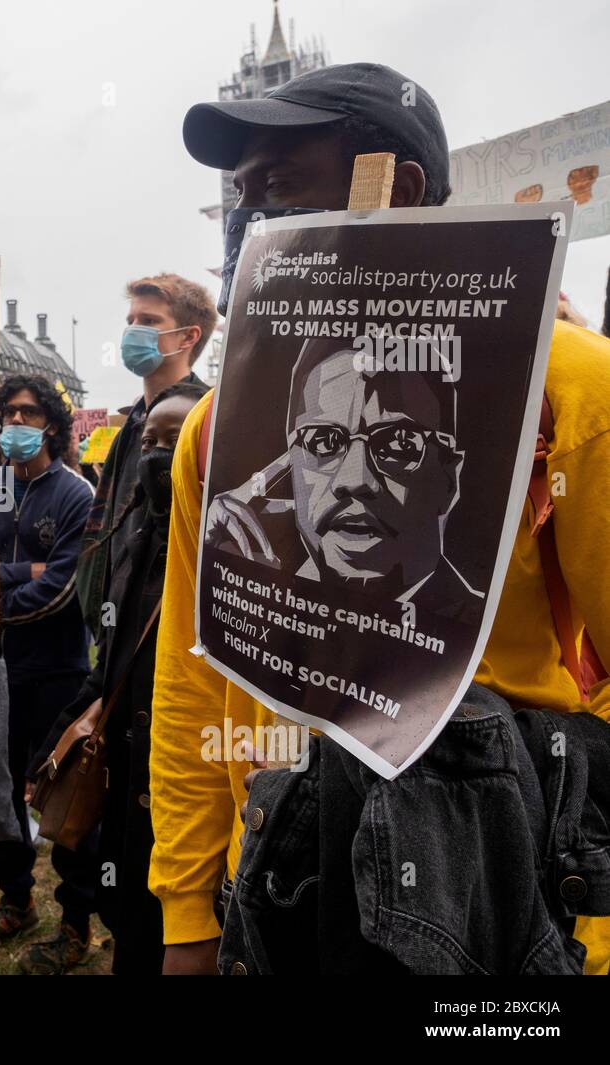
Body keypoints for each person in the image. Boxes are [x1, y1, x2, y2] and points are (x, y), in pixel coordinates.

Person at [152, 61, 610, 975]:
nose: (249, 218)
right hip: (282, 898)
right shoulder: (215, 430)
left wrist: (588, 925)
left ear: (393, 187)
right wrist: (186, 918)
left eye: (278, 185)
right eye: (239, 194)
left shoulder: (565, 387)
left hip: (509, 918)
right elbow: (192, 680)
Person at [30, 385, 205, 974]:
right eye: (149, 442)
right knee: (130, 911)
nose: (157, 456)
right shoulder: (137, 540)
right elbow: (107, 667)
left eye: (175, 442)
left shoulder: (235, 554)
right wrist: (52, 748)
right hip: (130, 772)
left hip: (188, 783)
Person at [0, 373, 98, 972]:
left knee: (63, 801)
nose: (16, 424)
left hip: (55, 672)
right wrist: (17, 573)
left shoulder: (76, 496)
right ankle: (16, 900)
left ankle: (75, 924)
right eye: (7, 414)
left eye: (29, 414)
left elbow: (60, 589)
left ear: (52, 425)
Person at [203, 336, 482, 623]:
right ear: (292, 463)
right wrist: (215, 569)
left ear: (449, 476)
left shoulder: (484, 630)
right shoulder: (255, 587)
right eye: (322, 441)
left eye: (400, 443)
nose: (355, 480)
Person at [78, 274, 215, 640]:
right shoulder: (133, 423)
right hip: (118, 621)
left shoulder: (204, 418)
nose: (133, 331)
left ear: (188, 336)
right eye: (131, 322)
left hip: (162, 629)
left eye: (150, 321)